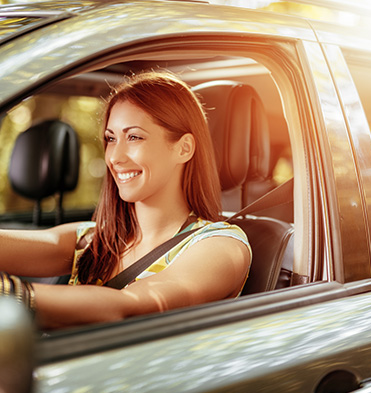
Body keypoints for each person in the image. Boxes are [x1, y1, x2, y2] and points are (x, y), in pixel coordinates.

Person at [0, 72, 251, 329]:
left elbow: (129, 306)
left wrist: (13, 294)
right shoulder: (92, 241)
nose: (115, 157)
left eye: (134, 137)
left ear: (183, 148)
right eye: (111, 139)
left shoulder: (222, 246)